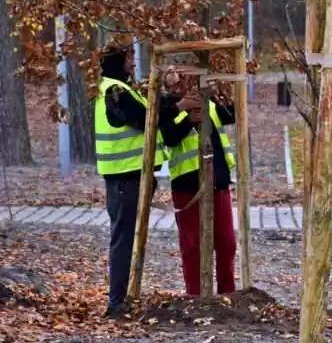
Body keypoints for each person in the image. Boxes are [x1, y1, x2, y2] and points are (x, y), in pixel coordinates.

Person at [94, 45, 199, 317]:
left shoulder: (123, 90)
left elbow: (151, 109)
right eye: (128, 58)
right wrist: (178, 105)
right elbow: (144, 118)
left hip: (133, 176)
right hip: (124, 178)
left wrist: (175, 102)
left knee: (128, 237)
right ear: (117, 61)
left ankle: (124, 298)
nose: (132, 63)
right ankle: (117, 303)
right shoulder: (114, 91)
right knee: (123, 238)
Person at [162, 74, 238, 296]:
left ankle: (227, 293)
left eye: (184, 78)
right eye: (175, 80)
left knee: (226, 243)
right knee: (192, 245)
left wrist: (223, 91)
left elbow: (231, 114)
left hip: (218, 182)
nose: (181, 83)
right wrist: (187, 117)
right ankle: (195, 295)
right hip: (188, 186)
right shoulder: (167, 106)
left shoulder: (208, 100)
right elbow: (169, 137)